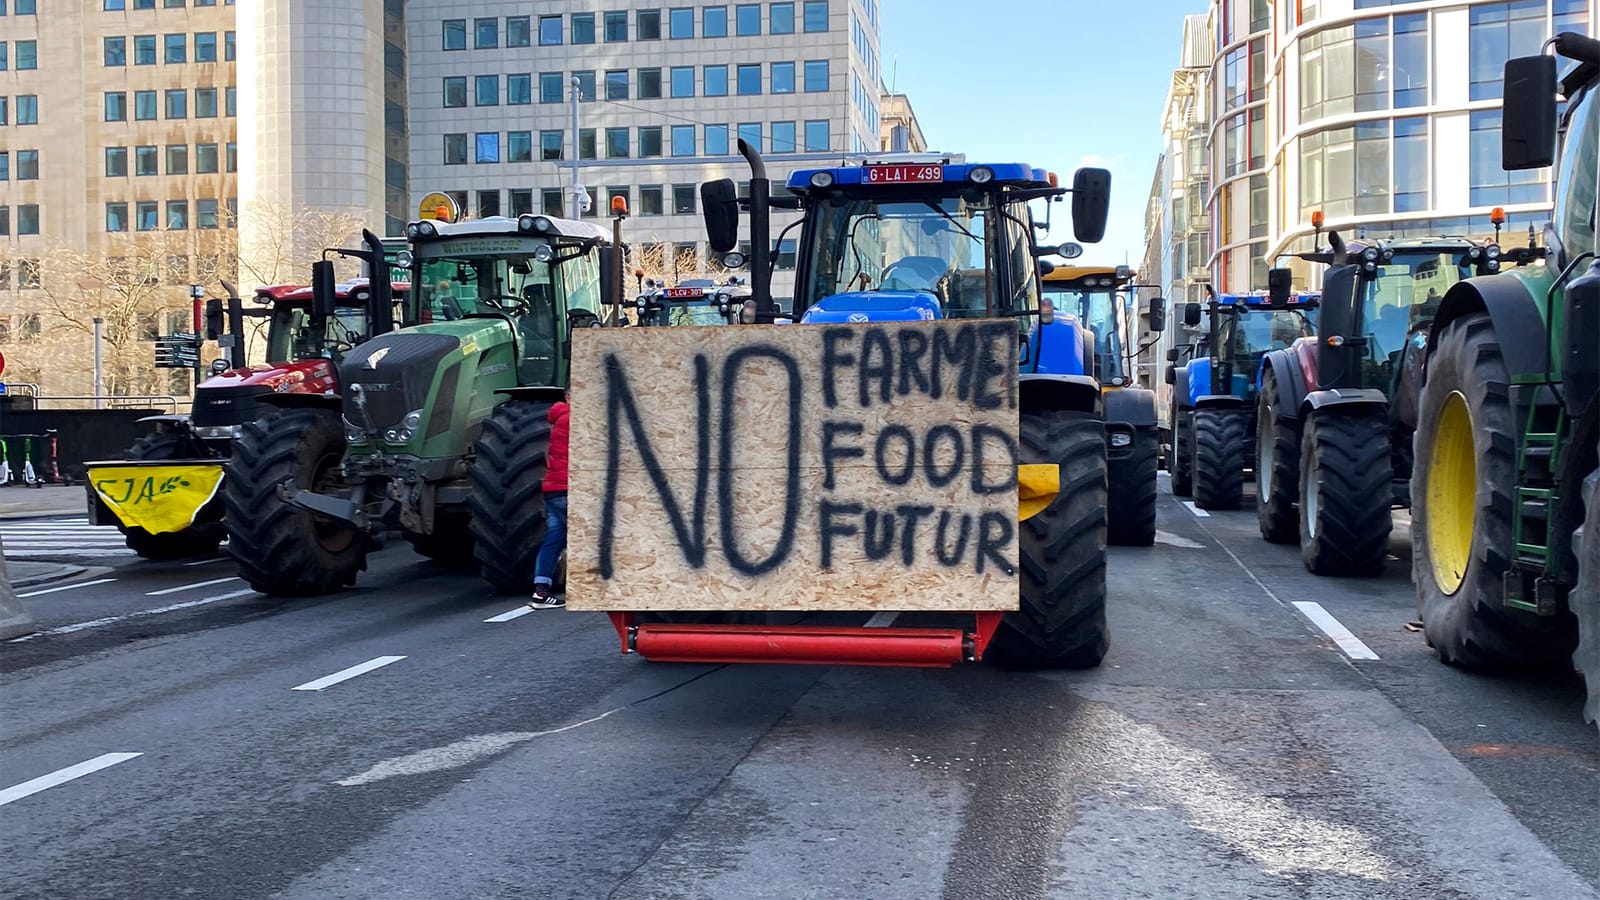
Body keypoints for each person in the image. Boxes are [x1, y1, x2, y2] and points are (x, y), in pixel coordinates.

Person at [529, 392, 571, 609]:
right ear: (569, 396)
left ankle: (541, 592)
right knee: (589, 535)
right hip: (567, 489)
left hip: (553, 490)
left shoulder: (560, 418)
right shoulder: (572, 419)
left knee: (553, 540)